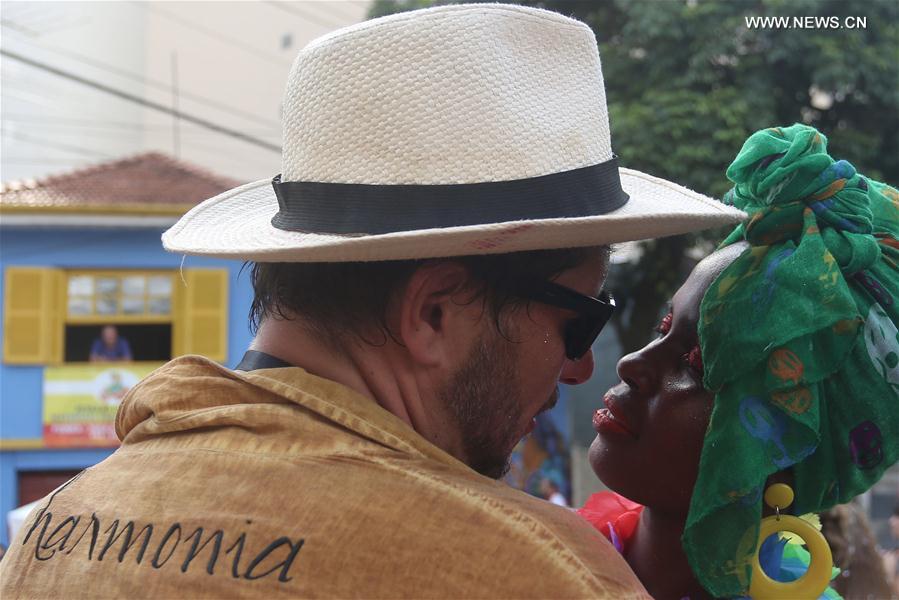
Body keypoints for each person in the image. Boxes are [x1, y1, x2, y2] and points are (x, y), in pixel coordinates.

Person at [0, 5, 743, 598]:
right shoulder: (525, 569)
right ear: (434, 313)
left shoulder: (52, 528)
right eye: (579, 321)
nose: (581, 370)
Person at [581, 124, 899, 598]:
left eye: (699, 364)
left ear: (788, 454)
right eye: (660, 331)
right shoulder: (537, 556)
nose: (632, 364)